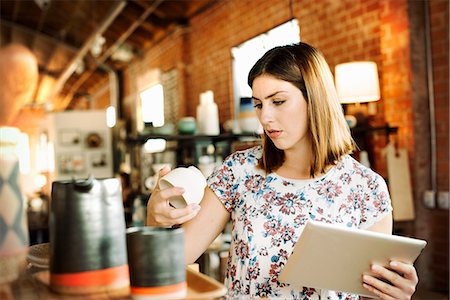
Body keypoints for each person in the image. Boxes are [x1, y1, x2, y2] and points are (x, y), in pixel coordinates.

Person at [146, 42, 419, 299]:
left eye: (278, 101)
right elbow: (170, 261)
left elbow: (372, 289)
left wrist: (394, 292)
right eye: (258, 104)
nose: (265, 117)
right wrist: (155, 222)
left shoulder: (366, 187)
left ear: (315, 99)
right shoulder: (239, 171)